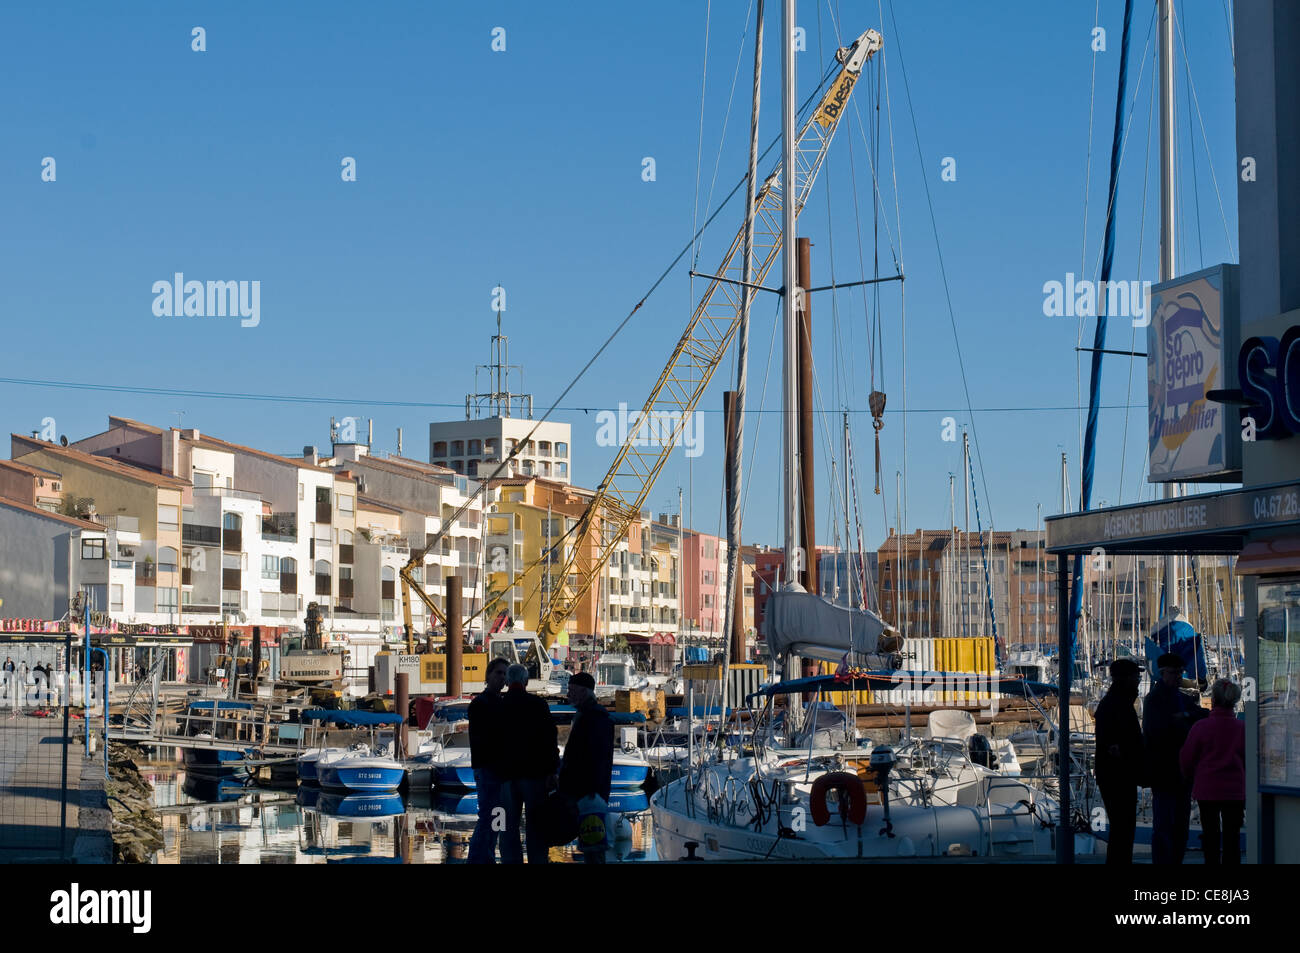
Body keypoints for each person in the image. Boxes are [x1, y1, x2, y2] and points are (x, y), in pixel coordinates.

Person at [1143, 651, 1206, 864]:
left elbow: (1202, 714)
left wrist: (1184, 717)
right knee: (1164, 824)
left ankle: (1175, 860)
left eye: (1180, 672)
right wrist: (1182, 723)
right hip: (1164, 770)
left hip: (1182, 770)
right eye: (1174, 672)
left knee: (1180, 825)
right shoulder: (1153, 700)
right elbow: (1157, 731)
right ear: (1162, 673)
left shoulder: (1181, 698)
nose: (1178, 676)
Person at [1181, 678, 1245, 865]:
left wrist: (1189, 776)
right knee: (1232, 836)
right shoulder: (1242, 728)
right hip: (1235, 790)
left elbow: (1187, 758)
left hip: (1207, 789)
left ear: (1214, 700)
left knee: (1210, 835)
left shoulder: (1201, 727)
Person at [498, 663, 558, 864]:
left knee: (506, 827)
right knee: (536, 825)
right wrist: (552, 770)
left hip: (505, 777)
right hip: (535, 776)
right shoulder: (538, 705)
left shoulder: (499, 706)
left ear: (507, 682)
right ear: (526, 681)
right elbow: (550, 739)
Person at [558, 671, 613, 863]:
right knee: (590, 845)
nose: (568, 695)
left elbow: (596, 757)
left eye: (571, 690)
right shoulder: (590, 716)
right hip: (587, 792)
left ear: (583, 691)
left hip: (590, 794)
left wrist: (591, 790)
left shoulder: (595, 718)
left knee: (593, 846)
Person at [1093, 658, 1144, 864]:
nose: (1139, 680)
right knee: (1123, 829)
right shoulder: (1116, 704)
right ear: (1125, 679)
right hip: (1118, 776)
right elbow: (1113, 745)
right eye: (1135, 676)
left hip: (1116, 774)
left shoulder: (1117, 702)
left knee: (1122, 829)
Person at [467, 656, 510, 864]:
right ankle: (478, 858)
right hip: (488, 768)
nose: (502, 678)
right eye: (498, 673)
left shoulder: (499, 703)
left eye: (505, 674)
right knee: (488, 816)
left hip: (499, 770)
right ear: (488, 676)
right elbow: (484, 738)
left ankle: (488, 855)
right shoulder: (480, 704)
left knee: (496, 817)